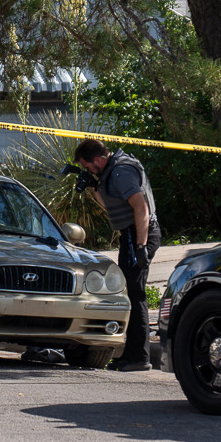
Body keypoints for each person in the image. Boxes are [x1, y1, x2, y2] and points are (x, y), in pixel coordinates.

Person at [73, 137, 160, 370]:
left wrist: (141, 247)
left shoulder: (121, 171)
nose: (87, 169)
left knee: (136, 293)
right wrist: (93, 185)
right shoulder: (111, 171)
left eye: (87, 166)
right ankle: (131, 354)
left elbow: (141, 207)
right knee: (129, 292)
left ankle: (140, 358)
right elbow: (111, 205)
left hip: (139, 235)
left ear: (99, 159)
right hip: (131, 235)